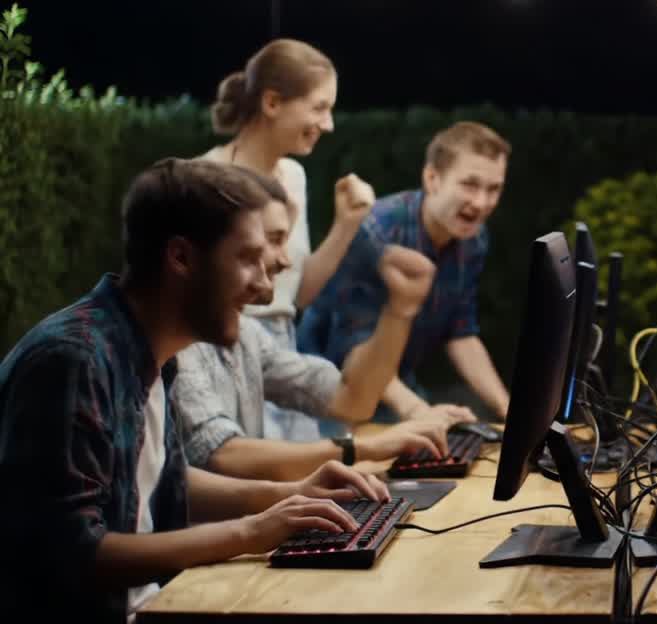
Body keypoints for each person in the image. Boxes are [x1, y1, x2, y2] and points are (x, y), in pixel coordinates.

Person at [0, 158, 389, 623]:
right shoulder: (74, 360)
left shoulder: (148, 352)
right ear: (181, 257)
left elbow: (164, 480)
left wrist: (289, 494)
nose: (265, 287)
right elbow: (73, 552)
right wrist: (250, 532)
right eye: (247, 260)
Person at [171, 170, 476, 482]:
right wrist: (364, 447)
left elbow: (352, 400)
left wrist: (400, 310)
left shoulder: (246, 334)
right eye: (274, 240)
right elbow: (222, 456)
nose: (286, 260)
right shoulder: (177, 344)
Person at [205, 38, 376, 442]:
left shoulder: (294, 178)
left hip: (287, 348)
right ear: (272, 103)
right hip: (230, 352)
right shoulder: (205, 180)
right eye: (320, 108)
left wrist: (347, 223)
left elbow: (295, 296)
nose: (329, 124)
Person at [298, 121, 512, 424]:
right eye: (470, 185)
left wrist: (509, 410)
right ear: (432, 178)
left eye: (494, 189)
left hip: (394, 383)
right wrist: (418, 413)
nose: (481, 202)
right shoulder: (375, 231)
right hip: (325, 390)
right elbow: (353, 348)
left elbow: (461, 332)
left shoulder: (473, 239)